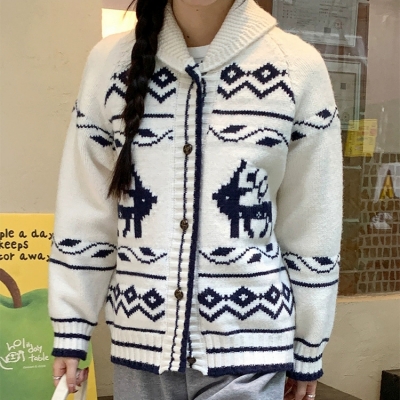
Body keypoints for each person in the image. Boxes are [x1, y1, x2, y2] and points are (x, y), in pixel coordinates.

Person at [49, 0, 343, 399]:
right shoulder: (109, 64)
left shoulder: (297, 66)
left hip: (250, 353)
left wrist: (309, 342)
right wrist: (71, 326)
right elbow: (87, 208)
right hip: (141, 350)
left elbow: (312, 220)